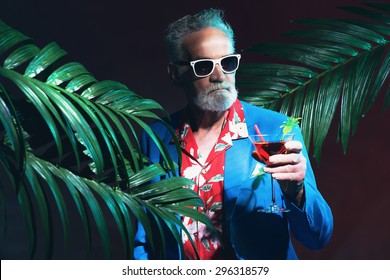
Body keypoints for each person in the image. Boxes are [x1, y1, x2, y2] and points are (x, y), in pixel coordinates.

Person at [134, 8, 333, 260]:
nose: (219, 76)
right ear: (176, 73)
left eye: (227, 62)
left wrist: (298, 192)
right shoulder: (155, 137)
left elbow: (318, 238)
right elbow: (144, 236)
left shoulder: (275, 130)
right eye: (204, 66)